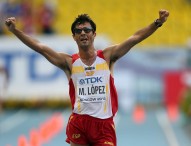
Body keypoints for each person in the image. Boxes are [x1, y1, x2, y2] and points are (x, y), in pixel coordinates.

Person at [5, 9, 169, 146]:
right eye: (78, 31)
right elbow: (40, 47)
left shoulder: (107, 57)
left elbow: (135, 38)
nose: (82, 33)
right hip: (79, 123)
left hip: (103, 125)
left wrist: (158, 22)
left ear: (94, 34)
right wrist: (14, 31)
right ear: (74, 37)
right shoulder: (69, 62)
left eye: (86, 30)